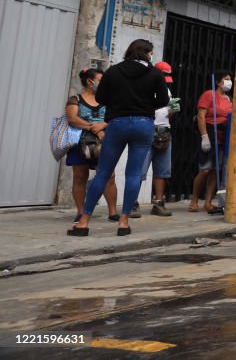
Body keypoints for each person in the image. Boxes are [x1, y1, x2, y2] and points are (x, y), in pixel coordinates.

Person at [68, 39, 169, 237]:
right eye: (150, 53)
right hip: (143, 125)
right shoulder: (155, 73)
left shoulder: (114, 71)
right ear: (145, 52)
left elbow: (101, 99)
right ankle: (123, 222)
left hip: (117, 124)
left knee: (103, 173)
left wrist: (120, 102)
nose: (151, 56)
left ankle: (84, 222)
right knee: (133, 174)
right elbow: (164, 101)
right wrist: (145, 106)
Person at [64, 68, 119, 224]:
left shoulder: (108, 99)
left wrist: (104, 126)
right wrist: (92, 127)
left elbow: (115, 116)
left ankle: (113, 212)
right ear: (90, 81)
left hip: (105, 142)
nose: (104, 84)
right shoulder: (75, 99)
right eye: (101, 80)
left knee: (110, 176)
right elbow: (72, 118)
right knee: (80, 176)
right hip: (79, 144)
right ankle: (81, 212)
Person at [190, 71, 232, 214]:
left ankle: (208, 202)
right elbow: (201, 116)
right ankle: (194, 199)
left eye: (230, 79)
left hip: (222, 137)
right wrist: (204, 137)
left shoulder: (229, 100)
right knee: (205, 169)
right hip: (209, 134)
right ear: (219, 82)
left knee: (215, 170)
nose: (229, 81)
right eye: (226, 79)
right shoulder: (209, 95)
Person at [143, 61, 176, 216]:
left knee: (162, 170)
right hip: (147, 129)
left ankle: (158, 203)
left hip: (164, 131)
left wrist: (172, 110)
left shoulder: (167, 91)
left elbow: (166, 113)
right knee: (140, 168)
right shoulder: (144, 87)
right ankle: (133, 204)